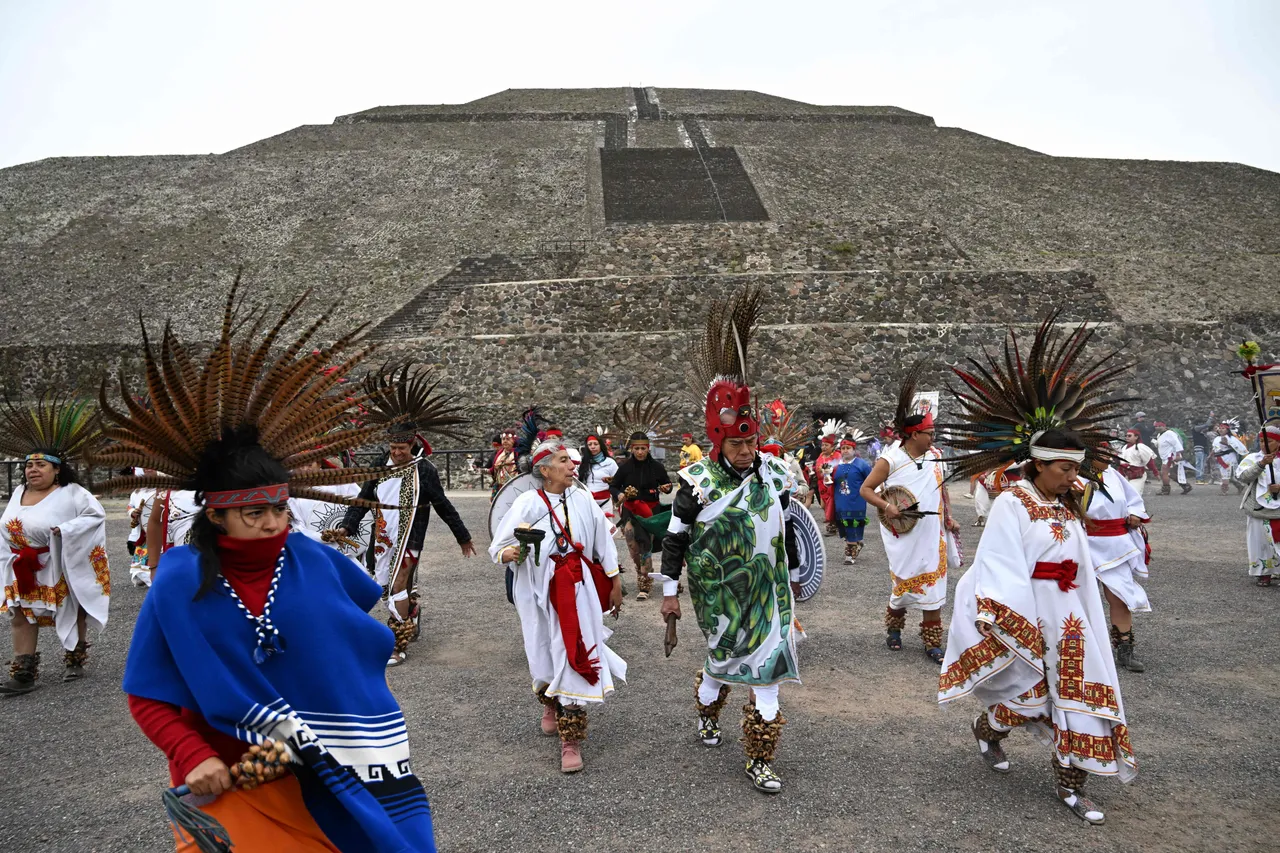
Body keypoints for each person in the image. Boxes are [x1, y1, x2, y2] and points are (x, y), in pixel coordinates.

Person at [102, 282, 438, 851]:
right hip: (229, 781)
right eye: (254, 512)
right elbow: (147, 694)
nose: (272, 523)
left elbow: (357, 640)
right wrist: (192, 753)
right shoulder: (181, 577)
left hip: (332, 772)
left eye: (279, 509)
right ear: (217, 515)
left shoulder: (312, 560)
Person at [938, 317, 1140, 825]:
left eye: (1078, 468)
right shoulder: (1014, 502)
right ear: (1040, 464)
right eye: (1066, 468)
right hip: (1033, 610)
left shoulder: (1064, 504)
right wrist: (1013, 619)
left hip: (1072, 612)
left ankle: (1072, 787)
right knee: (1029, 695)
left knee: (1080, 695)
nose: (1075, 477)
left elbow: (1082, 554)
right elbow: (1000, 563)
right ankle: (988, 730)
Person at [660, 286, 801, 794]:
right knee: (721, 665)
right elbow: (675, 540)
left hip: (769, 594)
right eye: (736, 443)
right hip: (718, 592)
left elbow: (785, 531)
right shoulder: (697, 481)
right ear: (719, 440)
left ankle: (759, 758)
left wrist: (792, 583)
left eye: (749, 441)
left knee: (768, 673)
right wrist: (669, 593)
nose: (745, 450)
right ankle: (707, 712)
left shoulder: (776, 475)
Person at [489, 437, 625, 773]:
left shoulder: (582, 499)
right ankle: (549, 700)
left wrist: (615, 580)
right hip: (536, 591)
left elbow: (603, 541)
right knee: (542, 652)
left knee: (575, 649)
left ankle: (571, 739)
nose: (572, 465)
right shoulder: (526, 504)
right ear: (545, 469)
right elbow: (500, 546)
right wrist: (510, 553)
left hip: (578, 589)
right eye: (563, 460)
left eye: (571, 460)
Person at [337, 362, 475, 666]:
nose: (395, 452)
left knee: (398, 584)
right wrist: (348, 526)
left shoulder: (424, 470)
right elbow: (363, 498)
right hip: (383, 536)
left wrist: (463, 537)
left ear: (412, 444)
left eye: (401, 447)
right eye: (392, 447)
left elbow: (443, 505)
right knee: (386, 587)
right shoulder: (379, 464)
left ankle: (397, 643)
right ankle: (411, 608)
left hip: (411, 537)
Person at [0, 396, 108, 693]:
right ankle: (23, 671)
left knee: (71, 609)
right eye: (28, 465)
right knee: (21, 612)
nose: (32, 470)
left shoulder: (73, 492)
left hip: (58, 562)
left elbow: (94, 515)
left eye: (40, 465)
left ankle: (75, 656)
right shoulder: (18, 492)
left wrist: (64, 530)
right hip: (21, 565)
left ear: (56, 469)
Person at [860, 361, 959, 663]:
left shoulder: (937, 457)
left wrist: (950, 516)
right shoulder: (891, 459)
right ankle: (894, 625)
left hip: (932, 530)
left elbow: (941, 489)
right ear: (914, 434)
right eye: (929, 432)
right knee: (903, 586)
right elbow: (866, 489)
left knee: (935, 587)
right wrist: (888, 506)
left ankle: (932, 642)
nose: (933, 437)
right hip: (903, 531)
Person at [1083, 464, 1152, 673]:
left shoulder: (1112, 474)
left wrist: (1134, 514)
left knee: (1119, 596)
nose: (1106, 458)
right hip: (1080, 541)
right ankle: (1078, 648)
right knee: (1078, 597)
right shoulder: (1071, 473)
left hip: (1115, 543)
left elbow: (1133, 500)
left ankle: (1125, 649)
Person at [608, 431, 672, 601]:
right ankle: (640, 570)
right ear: (632, 449)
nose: (640, 452)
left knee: (645, 545)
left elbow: (667, 483)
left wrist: (667, 488)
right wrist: (619, 494)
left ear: (648, 448)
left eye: (643, 448)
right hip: (630, 511)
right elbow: (613, 486)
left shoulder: (657, 467)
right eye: (637, 449)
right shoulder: (625, 468)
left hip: (651, 513)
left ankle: (644, 583)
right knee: (632, 546)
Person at [1234, 423, 1280, 586]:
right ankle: (1263, 573)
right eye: (1261, 441)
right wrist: (1261, 465)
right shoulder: (1252, 458)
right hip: (1258, 508)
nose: (1264, 445)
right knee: (1259, 542)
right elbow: (1243, 477)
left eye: (1269, 441)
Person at [831, 435, 872, 564]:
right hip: (841, 502)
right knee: (844, 527)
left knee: (853, 525)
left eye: (848, 448)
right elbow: (829, 481)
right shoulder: (835, 465)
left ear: (854, 449)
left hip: (857, 501)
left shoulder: (862, 464)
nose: (845, 450)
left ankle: (850, 553)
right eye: (843, 448)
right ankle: (855, 543)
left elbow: (871, 480)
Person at [578, 433, 619, 526]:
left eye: (595, 444)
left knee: (607, 529)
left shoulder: (610, 462)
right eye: (590, 444)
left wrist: (611, 480)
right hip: (588, 502)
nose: (593, 447)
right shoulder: (584, 463)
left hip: (605, 502)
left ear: (600, 445)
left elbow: (618, 481)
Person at [814, 423, 843, 535]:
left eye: (826, 445)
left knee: (832, 505)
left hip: (834, 484)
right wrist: (819, 470)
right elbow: (817, 467)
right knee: (823, 505)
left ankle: (832, 525)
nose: (824, 447)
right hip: (822, 485)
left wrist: (829, 471)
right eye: (823, 445)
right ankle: (834, 522)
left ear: (832, 447)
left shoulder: (837, 456)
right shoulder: (821, 456)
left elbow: (839, 468)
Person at [1211, 420, 1249, 496]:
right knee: (1231, 477)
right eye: (1220, 428)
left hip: (1229, 458)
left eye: (1223, 428)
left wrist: (1227, 444)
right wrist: (1210, 455)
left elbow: (1237, 448)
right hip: (1220, 458)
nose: (1221, 429)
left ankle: (1224, 491)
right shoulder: (1217, 438)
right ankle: (1240, 486)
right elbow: (1214, 448)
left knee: (1226, 476)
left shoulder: (1231, 438)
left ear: (1227, 430)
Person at [1116, 429, 1158, 494]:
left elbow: (1149, 460)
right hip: (1125, 474)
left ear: (1136, 437)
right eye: (1126, 435)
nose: (1127, 437)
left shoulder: (1140, 447)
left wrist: (1155, 472)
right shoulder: (1124, 447)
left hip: (1137, 474)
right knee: (1124, 494)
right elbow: (1120, 461)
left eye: (1129, 436)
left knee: (1134, 494)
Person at [1154, 421, 1190, 495]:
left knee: (1164, 473)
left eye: (1159, 426)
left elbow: (1177, 444)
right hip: (1165, 457)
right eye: (1156, 426)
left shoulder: (1170, 433)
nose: (1157, 427)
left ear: (1164, 426)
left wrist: (1177, 455)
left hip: (1170, 456)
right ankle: (1186, 486)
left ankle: (1165, 490)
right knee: (1170, 474)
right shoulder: (1159, 435)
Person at [488, 429, 519, 499]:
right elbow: (492, 470)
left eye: (508, 439)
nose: (505, 441)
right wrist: (478, 470)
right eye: (503, 439)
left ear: (514, 440)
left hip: (514, 486)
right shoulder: (500, 453)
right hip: (500, 486)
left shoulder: (518, 453)